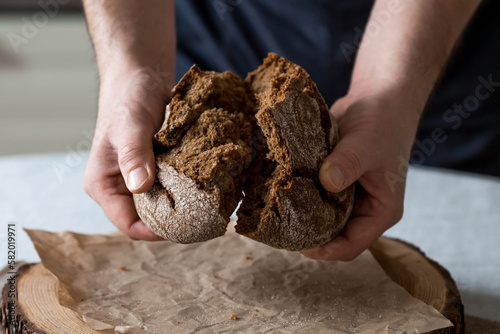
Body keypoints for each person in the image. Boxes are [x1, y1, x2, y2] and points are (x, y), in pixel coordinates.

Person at [82, 0, 493, 261]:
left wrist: (391, 90)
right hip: (211, 41)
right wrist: (132, 70)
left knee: (466, 240)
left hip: (434, 69)